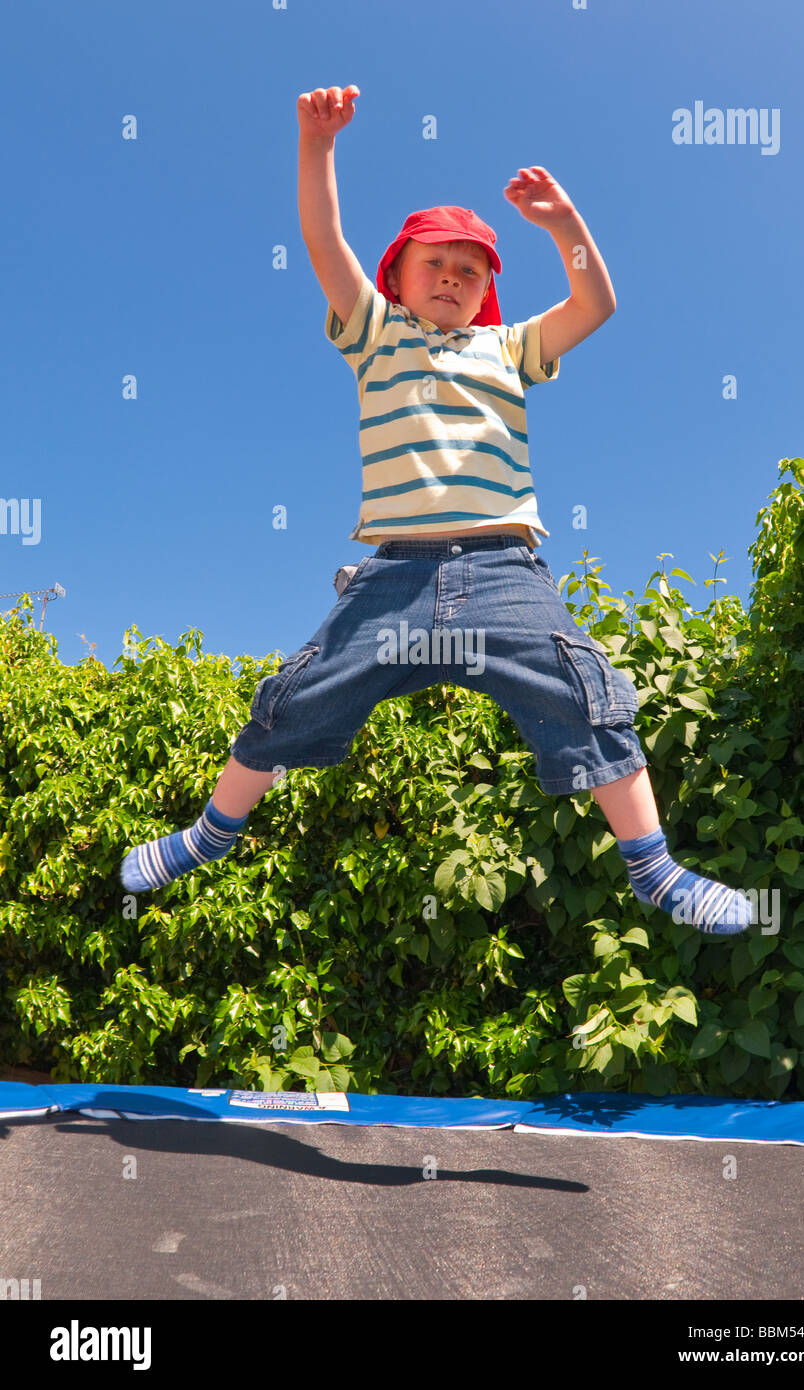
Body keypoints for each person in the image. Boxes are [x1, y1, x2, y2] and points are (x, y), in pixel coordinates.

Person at [121, 84, 751, 936]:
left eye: (470, 270)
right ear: (398, 277)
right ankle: (211, 831)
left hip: (502, 571)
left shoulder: (507, 347)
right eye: (435, 266)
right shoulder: (375, 332)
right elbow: (321, 240)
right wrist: (318, 146)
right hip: (393, 573)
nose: (452, 280)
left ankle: (654, 868)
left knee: (583, 690)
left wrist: (563, 224)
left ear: (487, 288)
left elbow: (594, 304)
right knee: (297, 695)